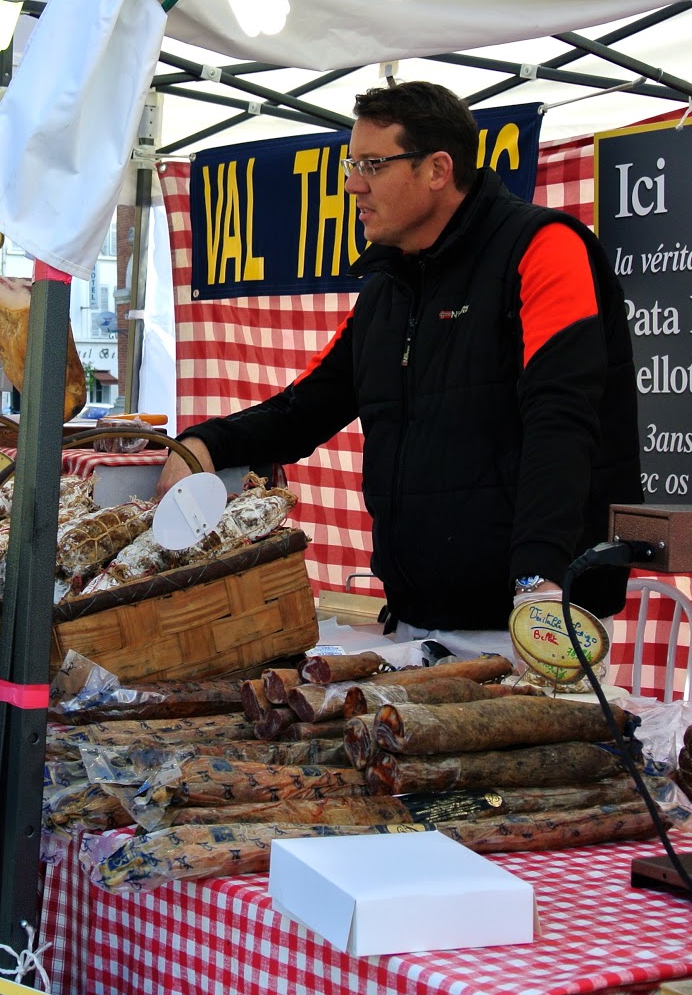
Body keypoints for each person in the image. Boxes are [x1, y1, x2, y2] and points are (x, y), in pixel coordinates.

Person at [157, 81, 641, 655]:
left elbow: (562, 421)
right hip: (416, 623)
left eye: (372, 164)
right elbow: (303, 410)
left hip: (529, 623)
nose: (353, 183)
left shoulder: (543, 247)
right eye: (351, 163)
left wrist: (538, 582)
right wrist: (202, 444)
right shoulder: (388, 289)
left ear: (437, 169)